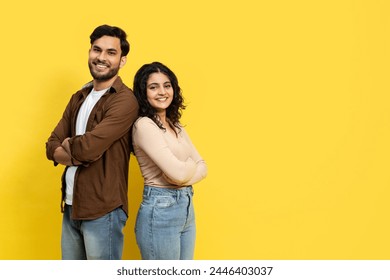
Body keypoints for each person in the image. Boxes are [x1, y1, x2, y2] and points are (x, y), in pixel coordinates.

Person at [45, 24, 139, 260]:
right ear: (89, 52)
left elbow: (89, 148)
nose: (101, 57)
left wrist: (69, 146)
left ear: (122, 60)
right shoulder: (80, 96)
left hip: (102, 210)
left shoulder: (125, 101)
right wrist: (72, 148)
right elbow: (51, 143)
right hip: (70, 205)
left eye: (111, 52)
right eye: (97, 50)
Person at [131, 61, 207, 260]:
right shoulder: (144, 125)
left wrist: (183, 173)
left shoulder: (176, 126)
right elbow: (180, 173)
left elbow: (203, 167)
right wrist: (188, 168)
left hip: (186, 207)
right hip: (160, 210)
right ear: (143, 93)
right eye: (153, 87)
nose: (162, 92)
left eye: (167, 85)